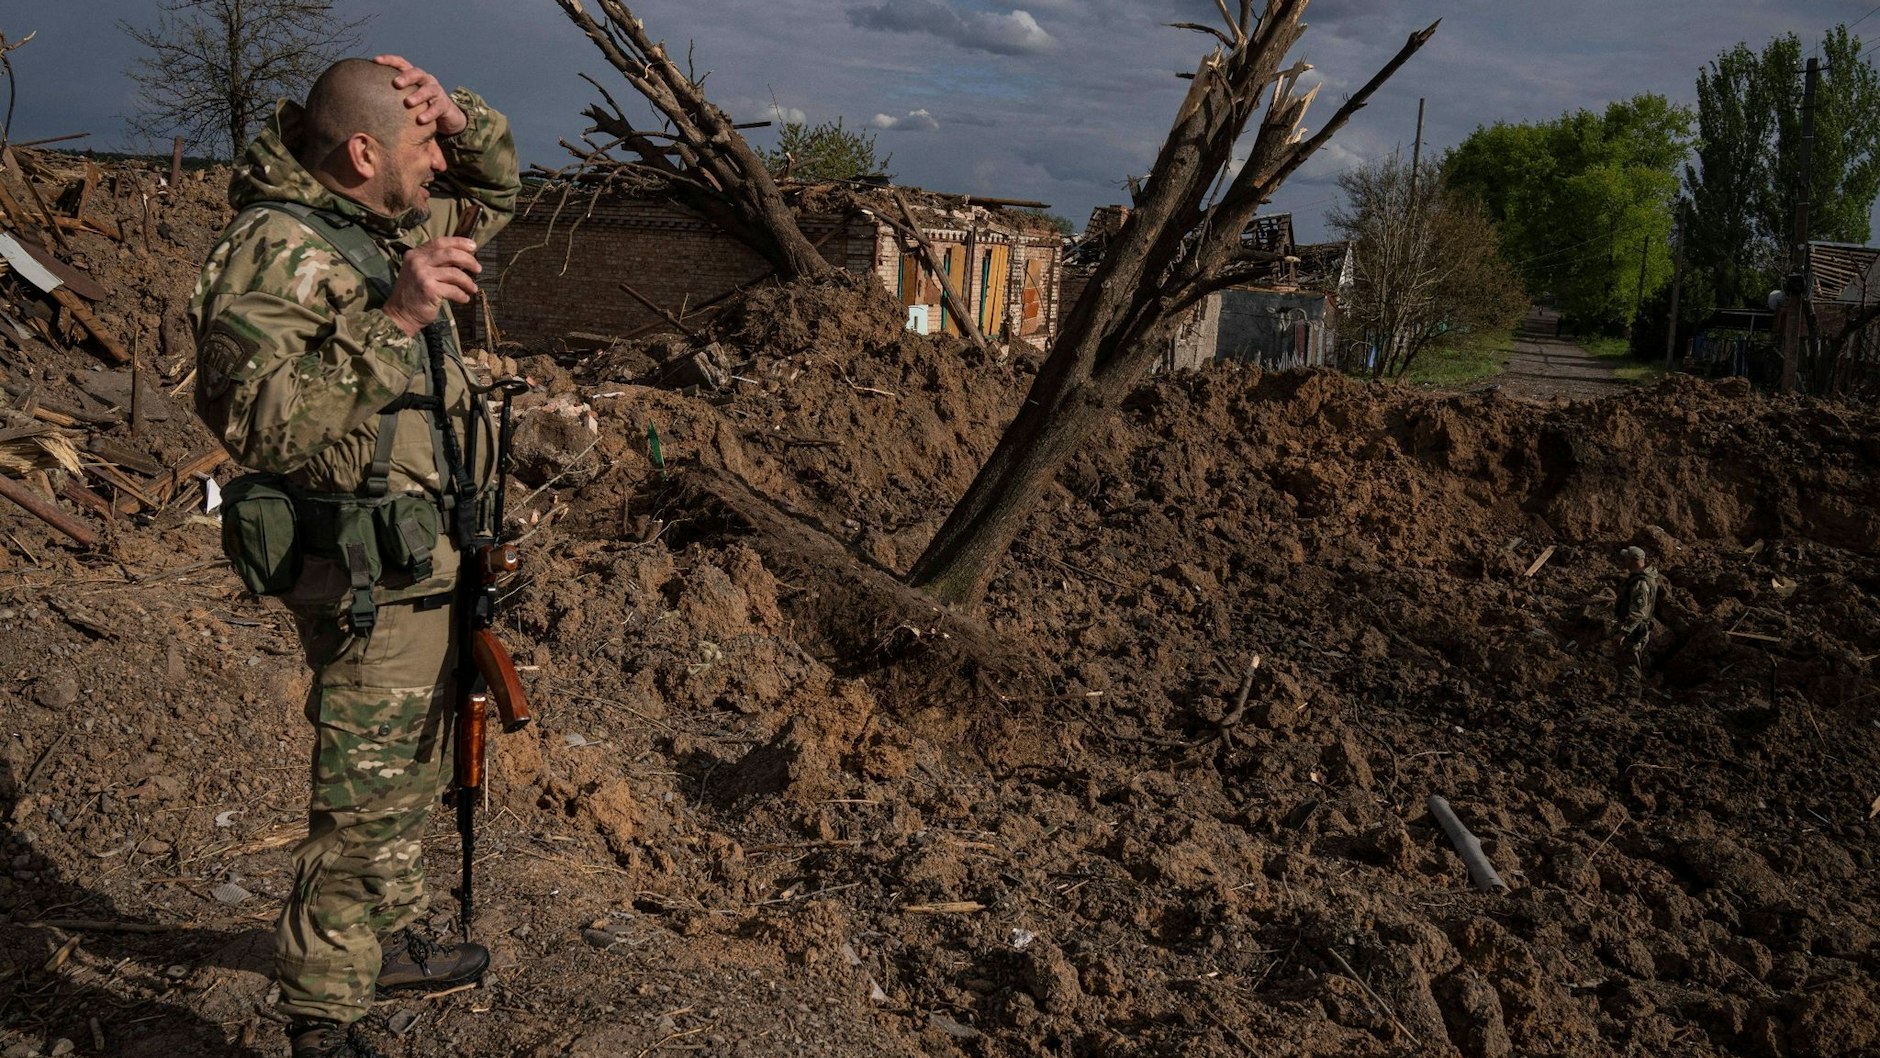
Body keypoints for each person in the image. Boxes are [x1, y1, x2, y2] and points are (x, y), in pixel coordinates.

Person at [190, 55, 518, 1058]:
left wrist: (461, 118)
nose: (439, 164)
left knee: (407, 775)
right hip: (364, 573)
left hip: (429, 560)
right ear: (364, 152)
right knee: (360, 802)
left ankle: (384, 937)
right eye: (423, 146)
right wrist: (396, 320)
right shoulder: (273, 252)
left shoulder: (384, 224)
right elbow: (265, 427)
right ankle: (324, 1017)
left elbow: (495, 191)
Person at [1611, 545, 1662, 701]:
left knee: (1631, 666)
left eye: (1626, 558)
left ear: (1633, 560)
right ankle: (1622, 694)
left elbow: (1639, 612)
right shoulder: (1640, 578)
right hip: (1633, 628)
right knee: (1624, 663)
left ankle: (1631, 699)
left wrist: (1624, 632)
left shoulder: (1641, 583)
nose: (1623, 561)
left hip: (1635, 630)